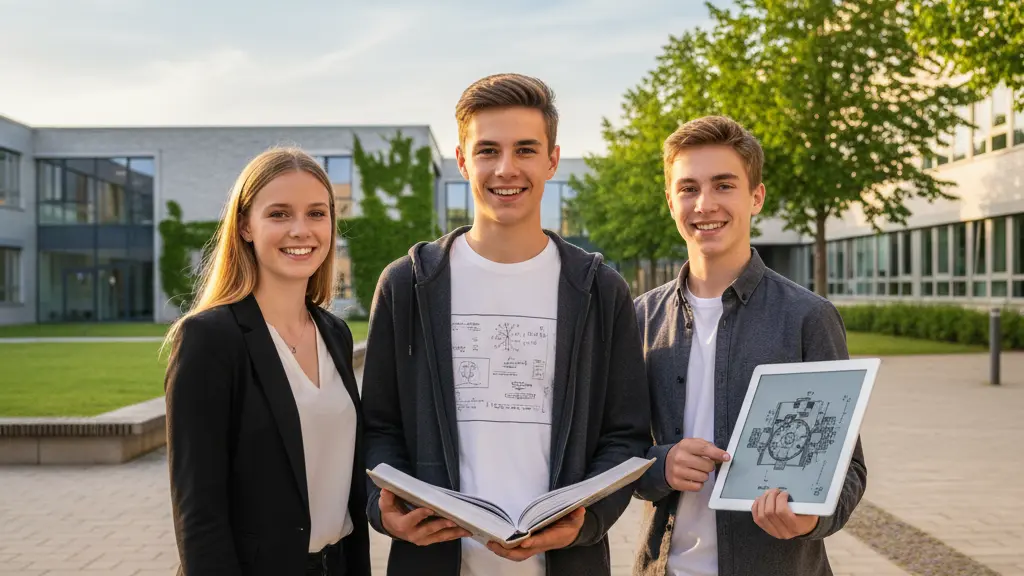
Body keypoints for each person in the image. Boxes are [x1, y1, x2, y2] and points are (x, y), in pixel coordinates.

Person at [361, 73, 651, 576]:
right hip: (433, 562)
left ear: (552, 160)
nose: (505, 169)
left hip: (566, 564)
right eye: (488, 150)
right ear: (461, 160)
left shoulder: (600, 291)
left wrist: (586, 523)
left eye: (525, 150)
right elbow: (380, 428)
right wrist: (384, 512)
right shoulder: (407, 286)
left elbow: (624, 437)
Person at [631, 116, 867, 576]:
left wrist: (809, 519)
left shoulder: (807, 317)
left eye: (724, 185)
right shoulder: (639, 319)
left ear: (755, 196)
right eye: (688, 188)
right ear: (669, 200)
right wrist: (661, 465)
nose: (705, 204)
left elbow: (848, 468)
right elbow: (614, 451)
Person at [163, 147, 371, 576]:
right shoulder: (209, 339)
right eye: (279, 214)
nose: (302, 230)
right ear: (245, 226)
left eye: (317, 213)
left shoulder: (335, 333)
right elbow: (198, 513)